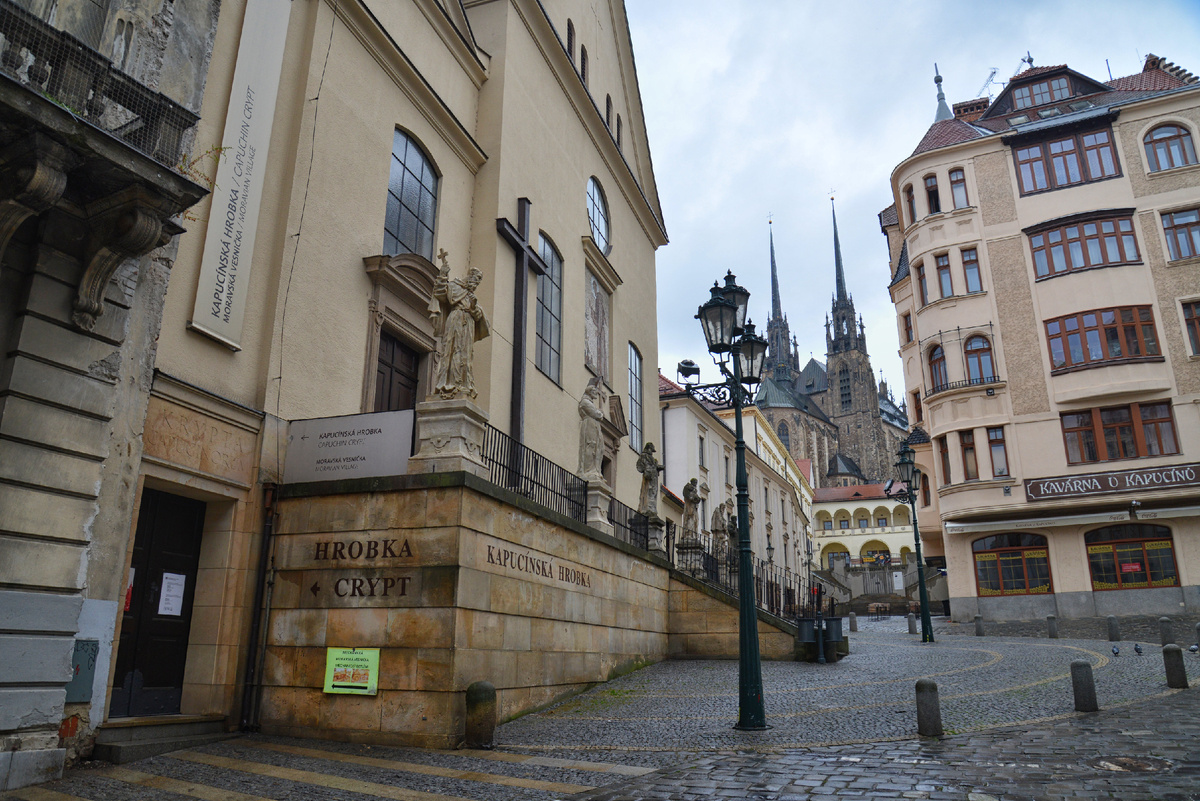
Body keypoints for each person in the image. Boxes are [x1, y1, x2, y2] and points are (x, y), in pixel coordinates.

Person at [430, 254, 489, 400]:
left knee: (465, 354)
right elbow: (440, 293)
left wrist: (475, 307)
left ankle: (463, 384)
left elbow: (477, 316)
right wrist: (443, 274)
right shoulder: (454, 287)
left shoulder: (471, 296)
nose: (474, 286)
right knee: (450, 350)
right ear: (469, 278)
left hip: (468, 325)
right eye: (474, 282)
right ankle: (447, 383)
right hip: (455, 320)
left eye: (477, 284)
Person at [578, 377, 605, 481]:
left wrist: (599, 413)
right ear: (589, 392)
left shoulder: (590, 403)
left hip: (594, 425)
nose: (596, 393)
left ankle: (596, 469)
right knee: (590, 445)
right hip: (589, 425)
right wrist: (600, 413)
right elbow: (596, 414)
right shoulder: (585, 402)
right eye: (594, 391)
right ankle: (588, 470)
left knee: (599, 448)